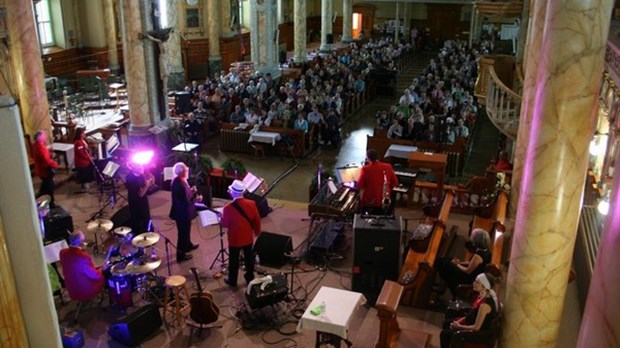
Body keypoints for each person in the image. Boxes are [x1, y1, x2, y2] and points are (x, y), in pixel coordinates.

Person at [440, 273, 499, 348]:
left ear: (484, 286)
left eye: (477, 282)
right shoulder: (481, 295)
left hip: (477, 335)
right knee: (446, 323)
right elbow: (472, 313)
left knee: (444, 334)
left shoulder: (485, 305)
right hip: (469, 322)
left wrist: (459, 326)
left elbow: (476, 328)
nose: (473, 283)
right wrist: (458, 322)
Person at [220, 180, 261, 287]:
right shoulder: (252, 204)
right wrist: (257, 231)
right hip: (247, 236)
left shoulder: (227, 208)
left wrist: (220, 218)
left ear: (233, 193)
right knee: (249, 258)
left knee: (234, 260)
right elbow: (257, 220)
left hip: (235, 239)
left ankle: (232, 280)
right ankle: (249, 277)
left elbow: (224, 224)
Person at [436, 228, 491, 297]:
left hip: (468, 279)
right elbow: (470, 263)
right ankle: (443, 285)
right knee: (447, 260)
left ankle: (447, 288)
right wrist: (460, 262)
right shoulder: (486, 251)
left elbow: (468, 271)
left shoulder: (478, 256)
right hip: (472, 274)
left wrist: (457, 264)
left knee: (442, 263)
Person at [59, 231, 105, 302]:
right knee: (103, 275)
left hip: (71, 290)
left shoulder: (62, 252)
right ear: (81, 243)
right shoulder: (83, 256)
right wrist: (101, 269)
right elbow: (95, 276)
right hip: (84, 291)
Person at [169, 162, 201, 262]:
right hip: (182, 213)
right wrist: (197, 199)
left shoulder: (181, 181)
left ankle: (188, 245)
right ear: (181, 172)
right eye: (185, 170)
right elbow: (186, 202)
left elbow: (185, 195)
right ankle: (180, 255)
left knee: (187, 230)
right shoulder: (179, 184)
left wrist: (191, 190)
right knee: (182, 234)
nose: (187, 171)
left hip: (184, 212)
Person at [356, 149, 399, 215]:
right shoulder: (388, 167)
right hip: (385, 201)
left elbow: (359, 185)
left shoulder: (365, 169)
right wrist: (387, 190)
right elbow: (395, 182)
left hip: (370, 201)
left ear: (368, 158)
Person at [125, 162, 154, 234]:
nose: (143, 167)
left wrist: (149, 175)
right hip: (136, 203)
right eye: (140, 166)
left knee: (146, 217)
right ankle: (140, 235)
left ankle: (148, 232)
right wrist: (146, 186)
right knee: (138, 219)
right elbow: (140, 194)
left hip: (143, 201)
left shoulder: (140, 175)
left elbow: (152, 182)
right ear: (135, 168)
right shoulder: (130, 178)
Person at [32, 130, 59, 207]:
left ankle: (39, 198)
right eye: (44, 136)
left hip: (40, 169)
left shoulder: (36, 145)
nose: (45, 137)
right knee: (49, 188)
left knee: (45, 186)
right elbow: (46, 160)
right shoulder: (40, 147)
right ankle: (51, 203)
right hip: (45, 170)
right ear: (40, 137)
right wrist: (55, 164)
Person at [73, 128, 95, 193]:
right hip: (82, 162)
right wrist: (90, 158)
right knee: (84, 174)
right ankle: (85, 187)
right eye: (83, 133)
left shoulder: (83, 140)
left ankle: (88, 182)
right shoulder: (78, 143)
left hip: (86, 159)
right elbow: (81, 154)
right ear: (80, 134)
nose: (84, 134)